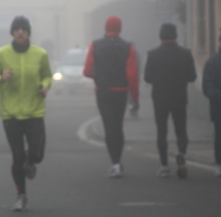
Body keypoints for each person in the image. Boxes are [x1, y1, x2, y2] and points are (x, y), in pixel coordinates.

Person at [0, 16, 52, 211]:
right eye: (17, 29)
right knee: (17, 156)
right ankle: (21, 195)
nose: (20, 32)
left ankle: (32, 162)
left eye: (24, 29)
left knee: (37, 154)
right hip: (11, 114)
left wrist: (45, 86)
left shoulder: (40, 54)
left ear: (28, 32)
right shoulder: (1, 54)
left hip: (34, 111)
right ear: (12, 33)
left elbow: (47, 75)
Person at [83, 15, 139, 178]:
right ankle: (118, 160)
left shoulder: (95, 45)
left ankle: (115, 163)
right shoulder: (128, 47)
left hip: (103, 91)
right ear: (119, 28)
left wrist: (99, 77)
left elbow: (86, 71)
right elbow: (132, 76)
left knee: (108, 127)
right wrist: (134, 98)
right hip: (121, 92)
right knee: (118, 126)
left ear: (105, 28)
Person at [144, 23, 196, 179]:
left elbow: (147, 77)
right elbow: (192, 76)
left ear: (161, 36)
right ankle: (181, 153)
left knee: (162, 131)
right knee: (181, 129)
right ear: (175, 35)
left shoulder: (153, 54)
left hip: (160, 98)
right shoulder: (185, 54)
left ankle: (164, 165)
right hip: (179, 97)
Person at [202, 32, 221, 177]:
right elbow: (207, 86)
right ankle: (219, 163)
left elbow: (207, 86)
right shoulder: (213, 62)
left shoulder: (211, 61)